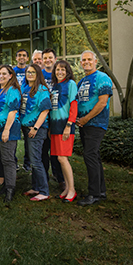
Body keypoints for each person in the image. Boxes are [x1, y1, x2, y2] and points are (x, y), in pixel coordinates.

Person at [76, 50, 113, 206]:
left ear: (95, 61)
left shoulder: (103, 78)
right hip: (85, 124)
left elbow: (102, 102)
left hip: (96, 123)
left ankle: (93, 194)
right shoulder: (82, 81)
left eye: (89, 59)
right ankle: (101, 191)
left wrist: (86, 118)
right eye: (83, 60)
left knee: (89, 155)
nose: (86, 62)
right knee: (94, 157)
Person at [19, 64, 52, 201]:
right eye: (28, 72)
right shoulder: (25, 88)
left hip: (36, 129)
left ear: (38, 74)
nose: (30, 74)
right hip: (27, 128)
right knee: (32, 160)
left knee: (36, 160)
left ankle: (44, 191)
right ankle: (36, 187)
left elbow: (45, 110)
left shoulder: (42, 89)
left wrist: (36, 128)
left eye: (33, 72)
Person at [0, 65, 21, 203]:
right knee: (2, 158)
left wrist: (6, 129)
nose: (0, 76)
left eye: (4, 74)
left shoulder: (12, 90)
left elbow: (12, 111)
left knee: (8, 160)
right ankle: (6, 185)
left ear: (11, 76)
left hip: (8, 129)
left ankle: (10, 189)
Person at [49, 60, 78, 203]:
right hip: (54, 126)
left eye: (63, 69)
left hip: (65, 125)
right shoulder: (55, 86)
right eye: (57, 69)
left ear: (67, 71)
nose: (60, 72)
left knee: (62, 158)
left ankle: (72, 189)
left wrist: (69, 125)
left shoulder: (71, 84)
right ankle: (66, 188)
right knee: (59, 159)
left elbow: (74, 105)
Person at [41, 48, 65, 188]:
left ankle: (60, 177)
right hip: (43, 117)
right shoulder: (40, 74)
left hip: (57, 117)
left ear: (55, 59)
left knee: (56, 150)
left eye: (50, 57)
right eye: (45, 58)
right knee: (43, 149)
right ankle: (43, 177)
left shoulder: (59, 75)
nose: (47, 60)